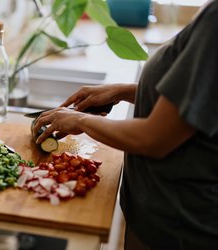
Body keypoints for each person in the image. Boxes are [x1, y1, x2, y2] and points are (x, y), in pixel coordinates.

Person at [32, 1, 218, 249]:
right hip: (169, 214)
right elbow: (196, 95)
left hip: (176, 226)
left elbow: (154, 138)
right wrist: (123, 91)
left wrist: (81, 120)